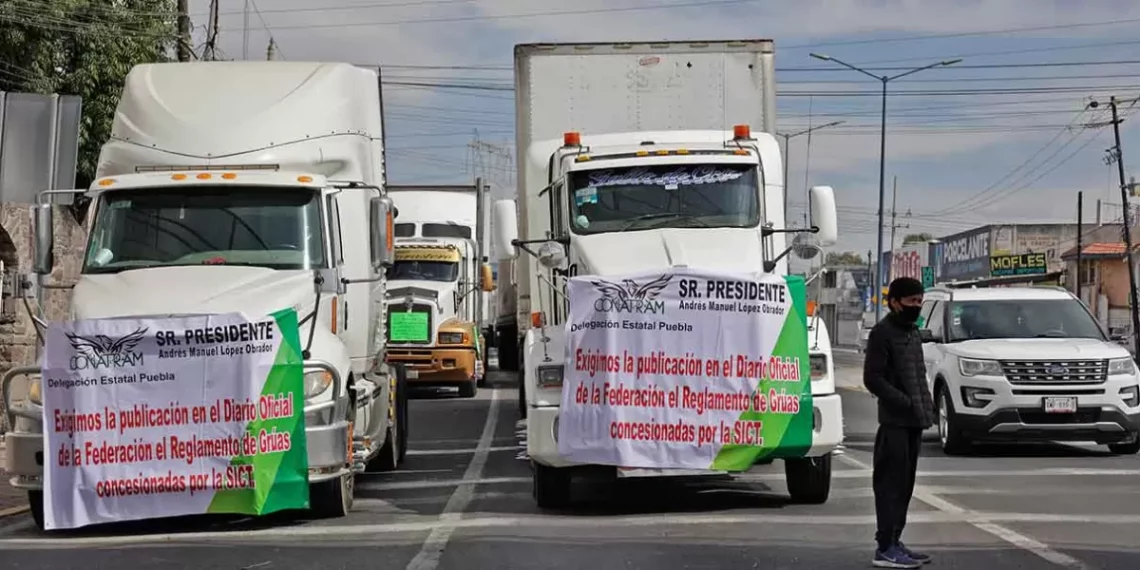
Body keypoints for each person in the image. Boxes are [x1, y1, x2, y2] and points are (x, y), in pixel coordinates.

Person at [863, 277, 936, 568]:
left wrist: (925, 407)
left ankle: (896, 540)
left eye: (919, 301)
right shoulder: (882, 333)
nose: (915, 307)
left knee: (905, 486)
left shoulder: (912, 334)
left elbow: (918, 377)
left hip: (913, 424)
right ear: (894, 302)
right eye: (910, 302)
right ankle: (884, 547)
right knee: (890, 486)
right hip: (894, 423)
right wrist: (905, 402)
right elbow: (873, 379)